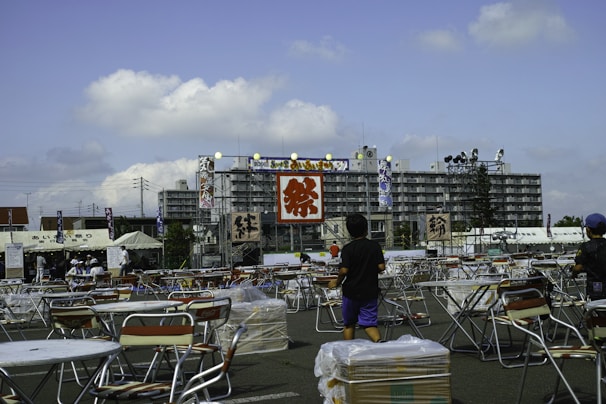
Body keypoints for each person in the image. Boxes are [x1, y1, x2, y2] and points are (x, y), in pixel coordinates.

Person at [328, 213, 385, 342]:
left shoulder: (348, 249)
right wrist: (369, 269)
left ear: (349, 231)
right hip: (370, 290)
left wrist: (336, 282)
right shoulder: (374, 246)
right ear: (366, 228)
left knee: (349, 324)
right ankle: (379, 343)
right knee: (370, 323)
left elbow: (344, 270)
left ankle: (349, 352)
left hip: (351, 291)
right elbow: (381, 267)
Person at [573, 212, 606, 300]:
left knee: (595, 310)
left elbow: (578, 267)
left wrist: (573, 273)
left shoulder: (586, 246)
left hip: (595, 288)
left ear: (588, 229)